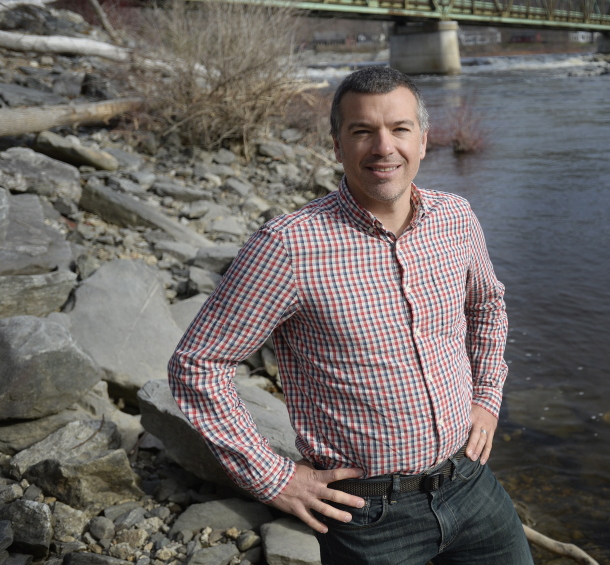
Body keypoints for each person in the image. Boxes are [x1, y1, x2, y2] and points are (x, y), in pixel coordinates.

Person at [168, 66, 533, 565]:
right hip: (366, 517)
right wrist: (272, 478)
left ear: (424, 141)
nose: (384, 147)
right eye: (363, 131)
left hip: (470, 484)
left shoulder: (457, 217)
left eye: (400, 129)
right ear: (337, 146)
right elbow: (197, 364)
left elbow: (487, 306)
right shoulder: (289, 246)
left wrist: (487, 397)